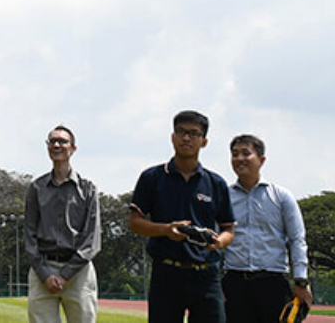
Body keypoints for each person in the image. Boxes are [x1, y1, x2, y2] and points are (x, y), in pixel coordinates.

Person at [129, 110, 236, 323]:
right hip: (166, 273)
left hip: (206, 276)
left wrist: (217, 243)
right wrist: (166, 230)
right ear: (172, 137)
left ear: (204, 141)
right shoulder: (152, 177)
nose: (186, 138)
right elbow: (135, 222)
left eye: (193, 133)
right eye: (181, 132)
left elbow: (228, 230)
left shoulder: (216, 183)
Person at [222, 134, 312, 322]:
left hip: (273, 283)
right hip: (234, 284)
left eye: (246, 153)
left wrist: (301, 281)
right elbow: (214, 241)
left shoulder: (281, 197)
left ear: (261, 160)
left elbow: (297, 239)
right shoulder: (223, 198)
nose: (239, 159)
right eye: (235, 154)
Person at [23, 125, 101, 323]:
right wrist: (45, 274)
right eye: (52, 141)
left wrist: (65, 274)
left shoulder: (88, 189)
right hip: (43, 269)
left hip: (78, 271)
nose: (57, 145)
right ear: (47, 147)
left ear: (73, 148)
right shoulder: (36, 188)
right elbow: (29, 234)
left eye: (62, 141)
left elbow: (92, 239)